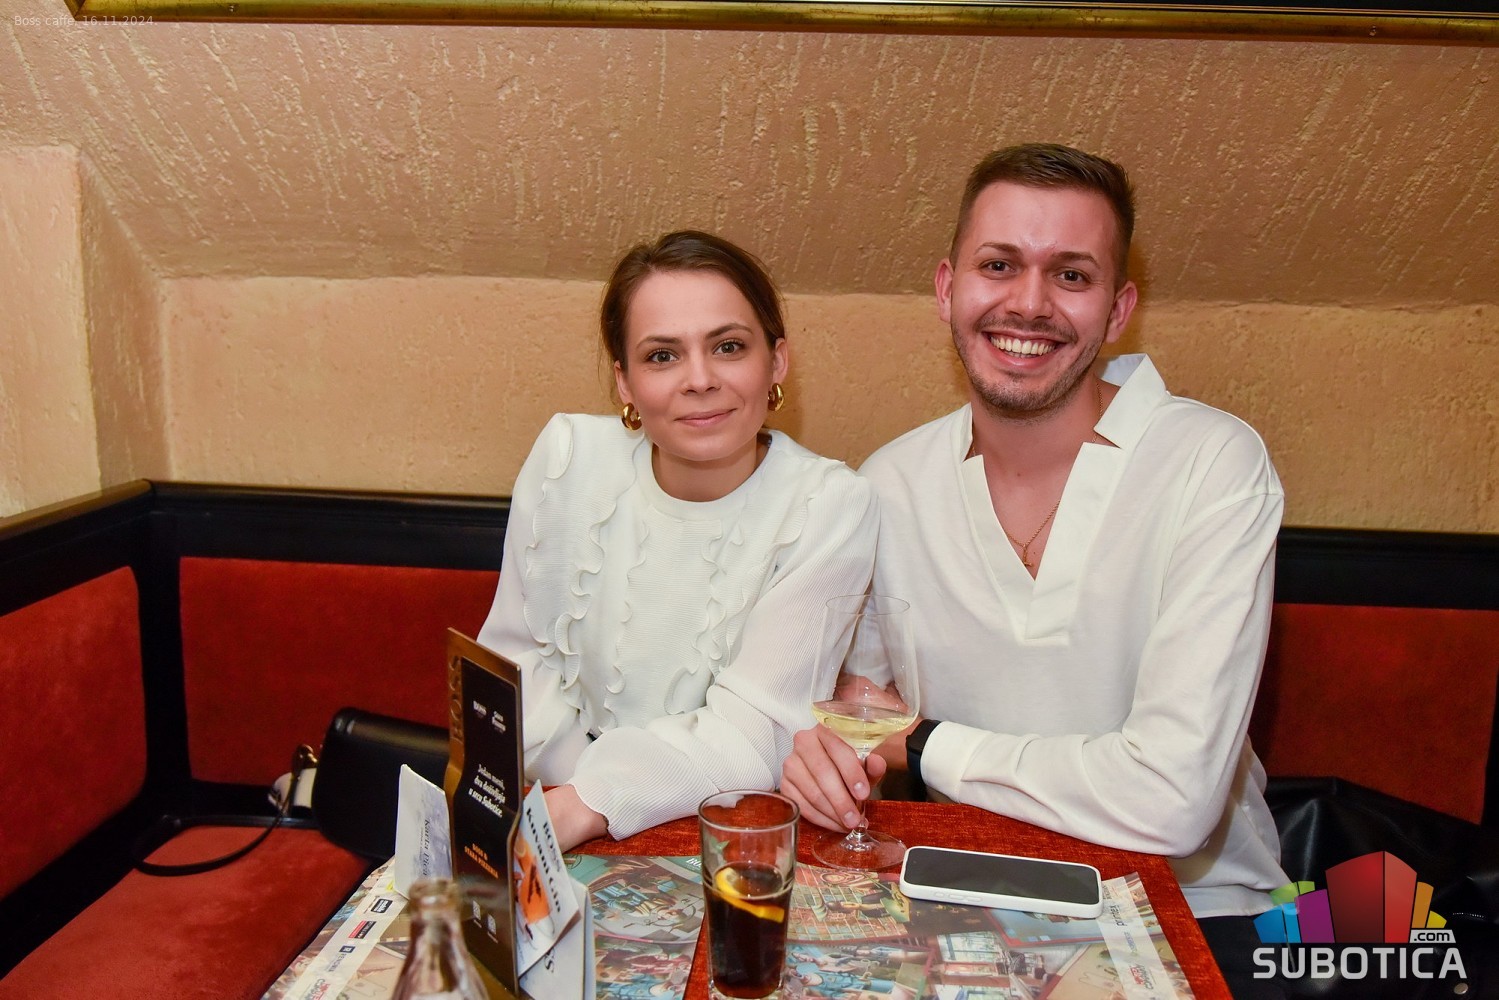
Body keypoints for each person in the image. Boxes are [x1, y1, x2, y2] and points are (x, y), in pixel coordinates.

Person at [781, 144, 1288, 927]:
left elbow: (1172, 798)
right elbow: (864, 711)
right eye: (998, 265)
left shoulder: (1211, 464)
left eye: (1071, 275)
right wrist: (831, 758)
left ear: (1117, 310)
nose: (1028, 304)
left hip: (1193, 908)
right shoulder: (890, 481)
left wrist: (925, 746)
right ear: (947, 289)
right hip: (964, 889)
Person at [477, 230, 878, 852]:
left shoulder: (830, 505)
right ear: (625, 382)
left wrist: (593, 800)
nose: (699, 379)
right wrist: (579, 795)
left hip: (718, 835)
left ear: (777, 362)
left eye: (728, 346)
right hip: (548, 807)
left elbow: (757, 728)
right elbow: (511, 664)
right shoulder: (567, 458)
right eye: (662, 355)